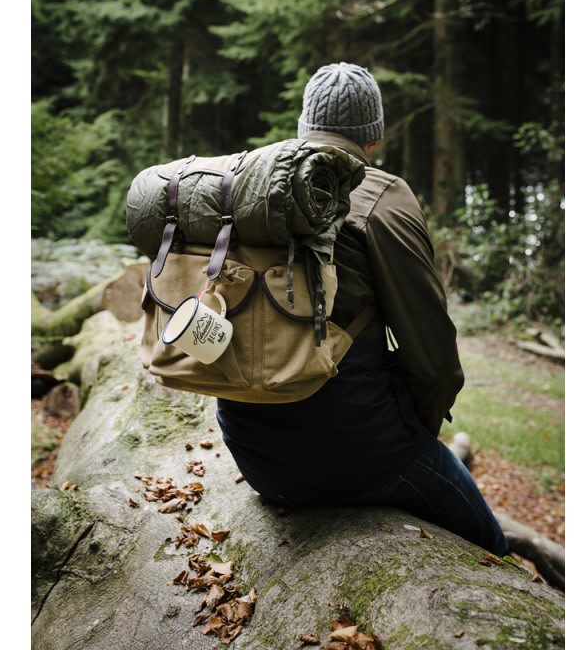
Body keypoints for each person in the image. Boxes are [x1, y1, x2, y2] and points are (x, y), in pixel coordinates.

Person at [216, 62, 509, 556]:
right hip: (356, 449)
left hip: (252, 451)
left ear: (304, 129)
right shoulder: (382, 196)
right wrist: (415, 437)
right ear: (372, 139)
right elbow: (433, 357)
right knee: (491, 543)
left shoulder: (249, 184)